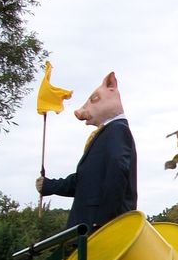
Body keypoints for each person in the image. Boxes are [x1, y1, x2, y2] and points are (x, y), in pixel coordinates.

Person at [36, 72, 137, 233]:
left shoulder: (117, 130)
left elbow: (118, 171)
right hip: (88, 228)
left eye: (94, 100)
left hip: (97, 229)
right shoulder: (107, 133)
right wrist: (50, 186)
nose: (83, 109)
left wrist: (105, 221)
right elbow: (86, 181)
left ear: (112, 88)